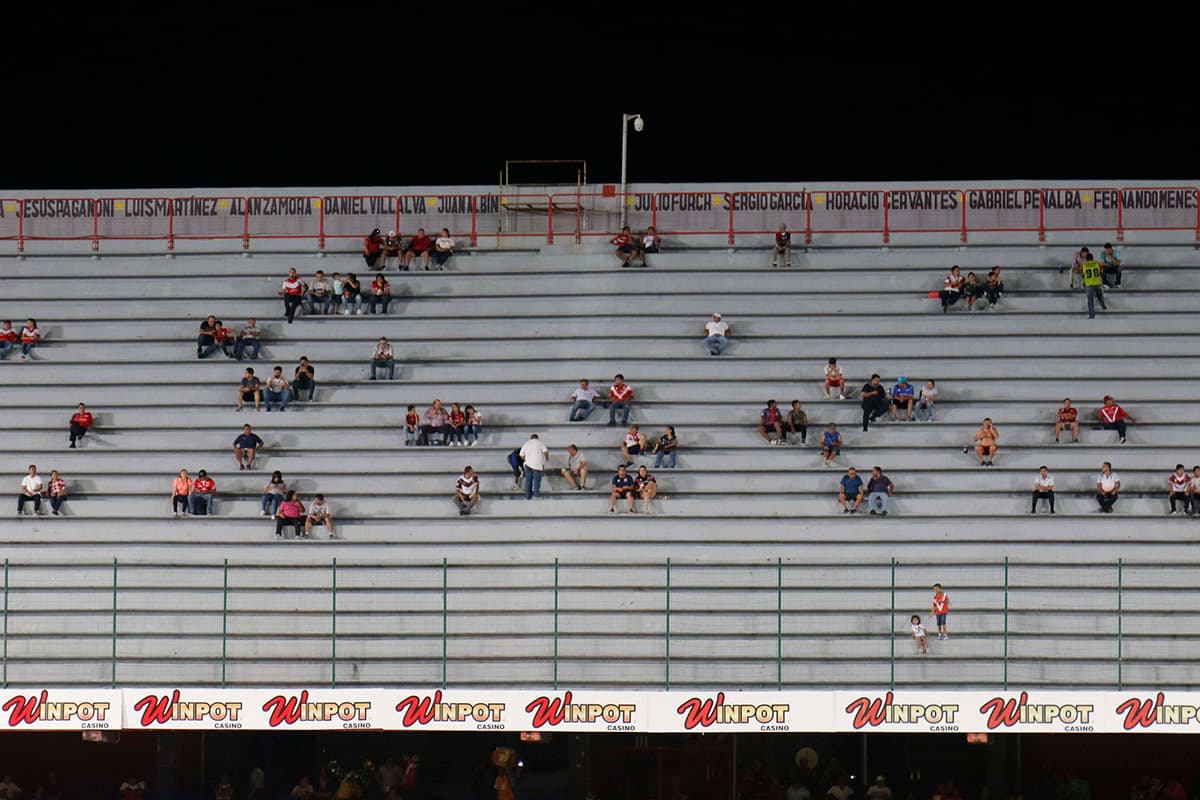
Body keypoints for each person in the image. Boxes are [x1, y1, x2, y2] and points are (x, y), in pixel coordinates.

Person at [518, 433, 549, 499]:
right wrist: (546, 458)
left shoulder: (526, 443)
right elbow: (546, 452)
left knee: (528, 481)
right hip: (537, 465)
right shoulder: (540, 443)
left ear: (531, 438)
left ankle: (528, 496)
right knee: (536, 481)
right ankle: (536, 496)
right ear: (537, 438)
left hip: (527, 465)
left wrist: (526, 459)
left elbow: (521, 455)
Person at [1081, 253, 1107, 319]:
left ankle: (1092, 315)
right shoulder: (1097, 263)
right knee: (1100, 295)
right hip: (1097, 282)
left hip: (1089, 284)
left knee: (1090, 301)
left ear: (1086, 259)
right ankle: (1102, 304)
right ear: (1092, 258)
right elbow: (1101, 271)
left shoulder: (1084, 265)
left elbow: (1083, 275)